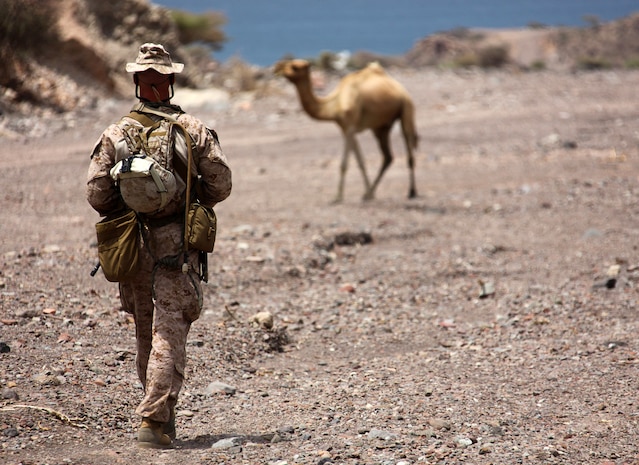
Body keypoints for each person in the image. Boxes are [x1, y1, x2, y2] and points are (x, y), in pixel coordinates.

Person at [86, 43, 232, 448]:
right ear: (170, 81)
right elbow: (221, 184)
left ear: (137, 81)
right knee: (170, 330)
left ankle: (160, 419)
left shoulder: (115, 133)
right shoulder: (193, 130)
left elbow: (97, 193)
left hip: (131, 244)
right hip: (175, 243)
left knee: (146, 332)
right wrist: (189, 196)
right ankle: (153, 420)